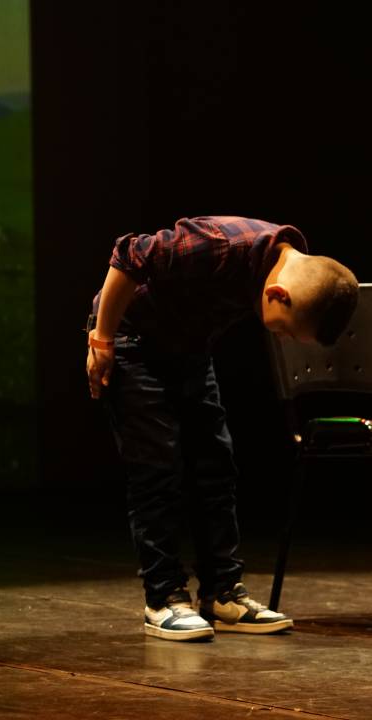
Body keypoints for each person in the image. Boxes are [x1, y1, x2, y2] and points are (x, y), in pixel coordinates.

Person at [86, 216, 358, 642]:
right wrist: (101, 340)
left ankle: (222, 594)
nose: (284, 339)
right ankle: (163, 598)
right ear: (277, 295)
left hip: (188, 349)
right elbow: (128, 254)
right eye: (287, 330)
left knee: (215, 466)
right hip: (132, 340)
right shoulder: (218, 245)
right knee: (157, 471)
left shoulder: (291, 267)